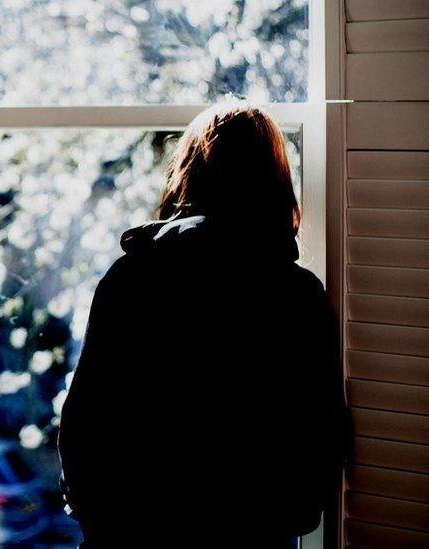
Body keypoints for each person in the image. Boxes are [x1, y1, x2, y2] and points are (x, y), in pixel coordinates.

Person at [57, 102, 348, 548]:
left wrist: (96, 519)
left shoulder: (132, 278)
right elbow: (320, 428)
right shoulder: (297, 293)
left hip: (133, 527)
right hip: (251, 530)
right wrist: (292, 515)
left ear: (188, 174)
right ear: (275, 184)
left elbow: (87, 417)